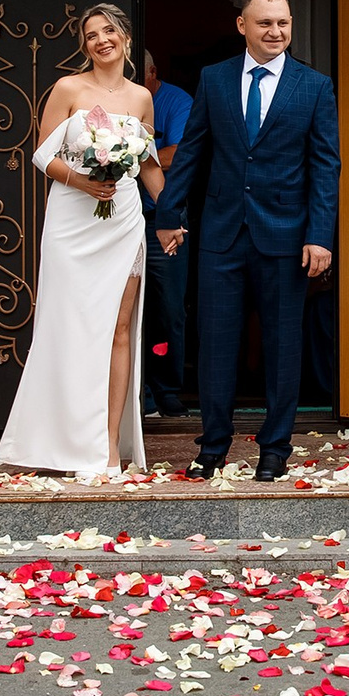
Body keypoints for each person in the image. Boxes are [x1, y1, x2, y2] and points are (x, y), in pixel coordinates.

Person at [153, 0, 339, 481]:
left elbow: (325, 167)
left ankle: (275, 449)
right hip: (221, 234)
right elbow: (190, 152)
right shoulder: (213, 80)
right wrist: (168, 213)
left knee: (282, 347)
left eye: (283, 23)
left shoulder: (314, 86)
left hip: (286, 237)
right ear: (242, 26)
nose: (275, 32)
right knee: (216, 345)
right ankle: (212, 446)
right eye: (264, 24)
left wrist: (320, 235)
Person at [0, 3, 167, 479]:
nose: (100, 40)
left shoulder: (140, 98)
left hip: (123, 219)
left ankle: (109, 446)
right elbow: (42, 154)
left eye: (109, 31)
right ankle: (57, 441)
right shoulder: (68, 88)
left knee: (118, 332)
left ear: (126, 38)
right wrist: (83, 182)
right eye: (91, 35)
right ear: (85, 45)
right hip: (74, 218)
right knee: (67, 326)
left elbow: (148, 164)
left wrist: (172, 215)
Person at [140, 48, 196, 419]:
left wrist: (135, 155)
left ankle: (167, 390)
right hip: (119, 215)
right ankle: (137, 394)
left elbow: (181, 153)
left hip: (164, 214)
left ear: (154, 72)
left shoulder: (177, 101)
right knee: (125, 308)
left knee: (169, 307)